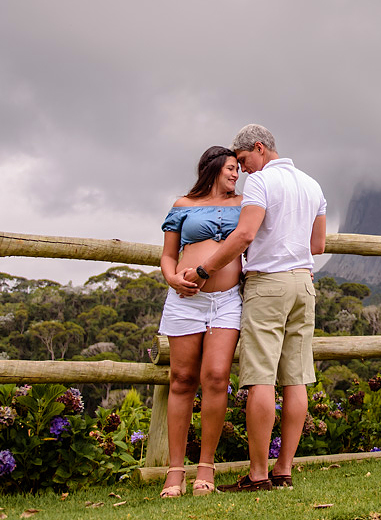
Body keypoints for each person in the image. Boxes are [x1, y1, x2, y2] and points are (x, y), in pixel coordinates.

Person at [185, 124, 326, 492]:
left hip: (268, 284)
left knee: (261, 377)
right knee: (295, 378)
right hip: (304, 284)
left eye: (244, 160)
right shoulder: (313, 185)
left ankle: (259, 473)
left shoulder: (262, 182)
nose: (243, 169)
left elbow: (245, 234)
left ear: (259, 148)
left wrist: (204, 269)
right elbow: (319, 244)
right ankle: (284, 471)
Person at [156, 146, 244, 498]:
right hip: (184, 303)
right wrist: (172, 279)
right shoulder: (182, 206)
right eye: (230, 168)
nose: (236, 174)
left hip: (226, 303)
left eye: (238, 169)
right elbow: (167, 255)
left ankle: (205, 467)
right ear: (212, 169)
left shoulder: (245, 205)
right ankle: (174, 472)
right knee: (181, 379)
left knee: (217, 377)